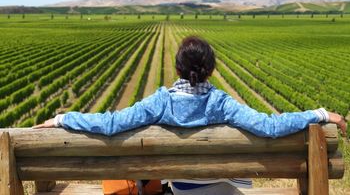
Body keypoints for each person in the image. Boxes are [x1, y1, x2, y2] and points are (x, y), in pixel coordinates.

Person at [34, 36, 347, 195]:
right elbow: (269, 126)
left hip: (183, 190)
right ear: (209, 69)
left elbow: (111, 123)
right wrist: (320, 113)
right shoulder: (221, 103)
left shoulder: (159, 103)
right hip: (223, 190)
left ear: (178, 68)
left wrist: (62, 119)